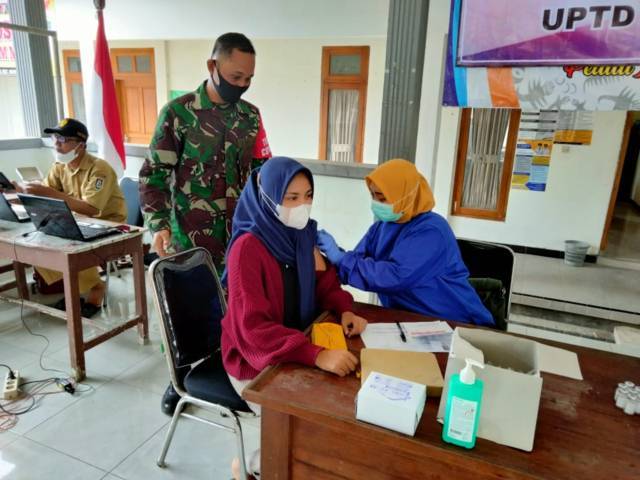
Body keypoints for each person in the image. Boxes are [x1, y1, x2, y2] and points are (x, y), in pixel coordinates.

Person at [139, 32, 272, 415]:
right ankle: (177, 379)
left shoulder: (251, 117)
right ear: (212, 66)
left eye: (248, 79)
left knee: (236, 306)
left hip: (241, 236)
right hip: (189, 237)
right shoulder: (178, 113)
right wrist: (159, 224)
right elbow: (154, 175)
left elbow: (263, 171)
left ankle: (231, 368)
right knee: (185, 308)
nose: (242, 85)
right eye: (235, 77)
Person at [222, 157, 367, 479]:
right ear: (270, 198)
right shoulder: (247, 248)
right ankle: (249, 466)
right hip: (255, 356)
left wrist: (345, 308)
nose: (303, 205)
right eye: (292, 198)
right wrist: (316, 355)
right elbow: (253, 330)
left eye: (308, 195)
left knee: (335, 410)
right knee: (300, 430)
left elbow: (325, 282)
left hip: (296, 343)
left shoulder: (303, 235)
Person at [317, 158, 494, 327]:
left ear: (406, 195)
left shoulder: (432, 231)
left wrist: (341, 259)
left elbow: (396, 276)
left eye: (382, 197)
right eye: (372, 195)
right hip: (407, 319)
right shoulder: (382, 227)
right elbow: (356, 262)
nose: (376, 203)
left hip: (454, 322)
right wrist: (330, 256)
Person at [12, 118, 127, 318]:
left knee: (67, 241)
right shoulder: (60, 167)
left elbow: (91, 209)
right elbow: (44, 195)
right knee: (38, 238)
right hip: (77, 219)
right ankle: (80, 285)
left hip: (108, 223)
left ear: (80, 145)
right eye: (54, 138)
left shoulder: (99, 169)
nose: (56, 144)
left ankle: (96, 288)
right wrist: (19, 192)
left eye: (63, 139)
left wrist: (47, 192)